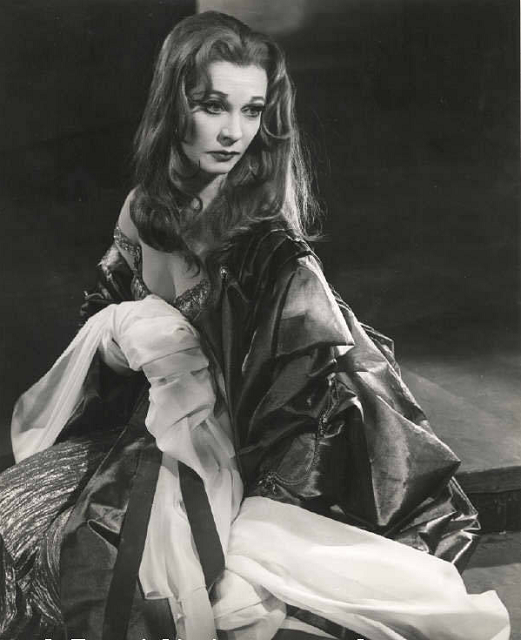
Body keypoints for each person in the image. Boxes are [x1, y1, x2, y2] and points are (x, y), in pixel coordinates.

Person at [0, 10, 510, 640]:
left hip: (253, 453)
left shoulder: (268, 246)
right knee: (18, 514)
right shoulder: (142, 208)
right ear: (174, 106)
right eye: (213, 106)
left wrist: (256, 540)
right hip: (151, 428)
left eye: (251, 111)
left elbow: (305, 408)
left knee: (120, 562)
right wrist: (126, 331)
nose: (234, 132)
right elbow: (101, 315)